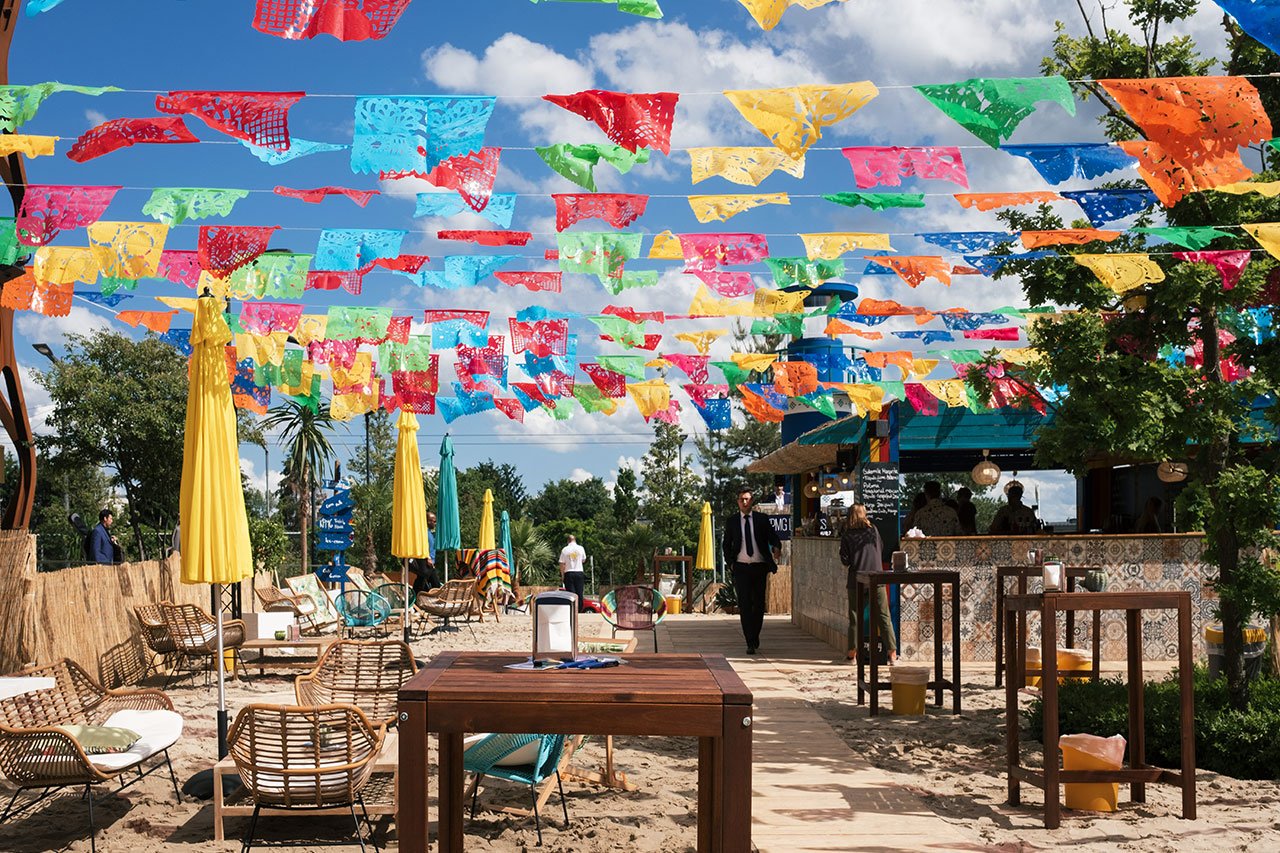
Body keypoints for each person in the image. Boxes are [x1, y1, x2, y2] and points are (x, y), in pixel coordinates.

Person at [721, 486, 782, 655]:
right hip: (741, 568)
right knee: (745, 605)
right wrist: (731, 563)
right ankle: (750, 641)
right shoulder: (732, 521)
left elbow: (773, 537)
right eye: (741, 499)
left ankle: (755, 635)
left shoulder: (761, 519)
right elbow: (726, 545)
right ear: (737, 501)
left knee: (759, 604)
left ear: (752, 501)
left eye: (747, 499)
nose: (744, 502)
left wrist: (777, 547)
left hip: (759, 567)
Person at [840, 505, 897, 665]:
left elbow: (845, 561)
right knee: (884, 617)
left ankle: (852, 655)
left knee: (855, 618)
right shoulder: (873, 531)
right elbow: (882, 548)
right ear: (864, 515)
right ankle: (892, 655)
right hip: (876, 578)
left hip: (856, 579)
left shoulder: (847, 535)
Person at [558, 535, 587, 612]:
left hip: (569, 572)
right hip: (579, 572)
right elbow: (583, 560)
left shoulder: (565, 549)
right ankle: (579, 609)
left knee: (571, 593)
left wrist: (562, 575)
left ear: (568, 541)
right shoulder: (581, 548)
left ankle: (572, 608)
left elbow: (561, 563)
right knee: (579, 592)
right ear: (575, 540)